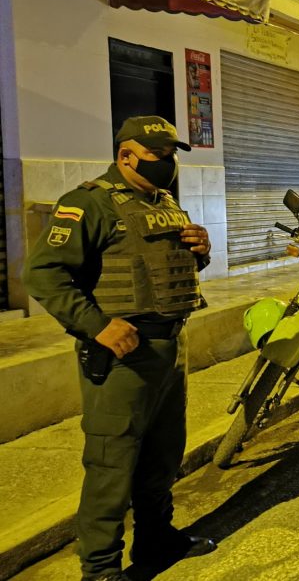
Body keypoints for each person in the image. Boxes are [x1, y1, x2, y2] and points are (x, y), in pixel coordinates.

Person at [23, 116, 216, 581]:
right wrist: (97, 325)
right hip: (123, 356)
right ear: (125, 155)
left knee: (163, 456)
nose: (167, 164)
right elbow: (43, 274)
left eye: (171, 155)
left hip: (171, 347)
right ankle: (102, 570)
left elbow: (166, 268)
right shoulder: (87, 204)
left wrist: (201, 249)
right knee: (112, 465)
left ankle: (156, 539)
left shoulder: (164, 202)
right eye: (157, 156)